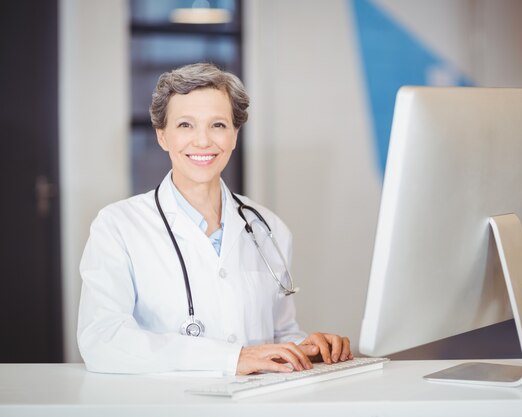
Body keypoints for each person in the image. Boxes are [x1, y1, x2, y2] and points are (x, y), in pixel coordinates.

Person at [77, 63, 352, 375]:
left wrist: (305, 348)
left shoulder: (268, 228)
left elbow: (279, 332)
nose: (203, 141)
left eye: (218, 125)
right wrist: (231, 359)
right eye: (185, 125)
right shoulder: (118, 227)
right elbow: (103, 340)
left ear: (234, 135)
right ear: (162, 136)